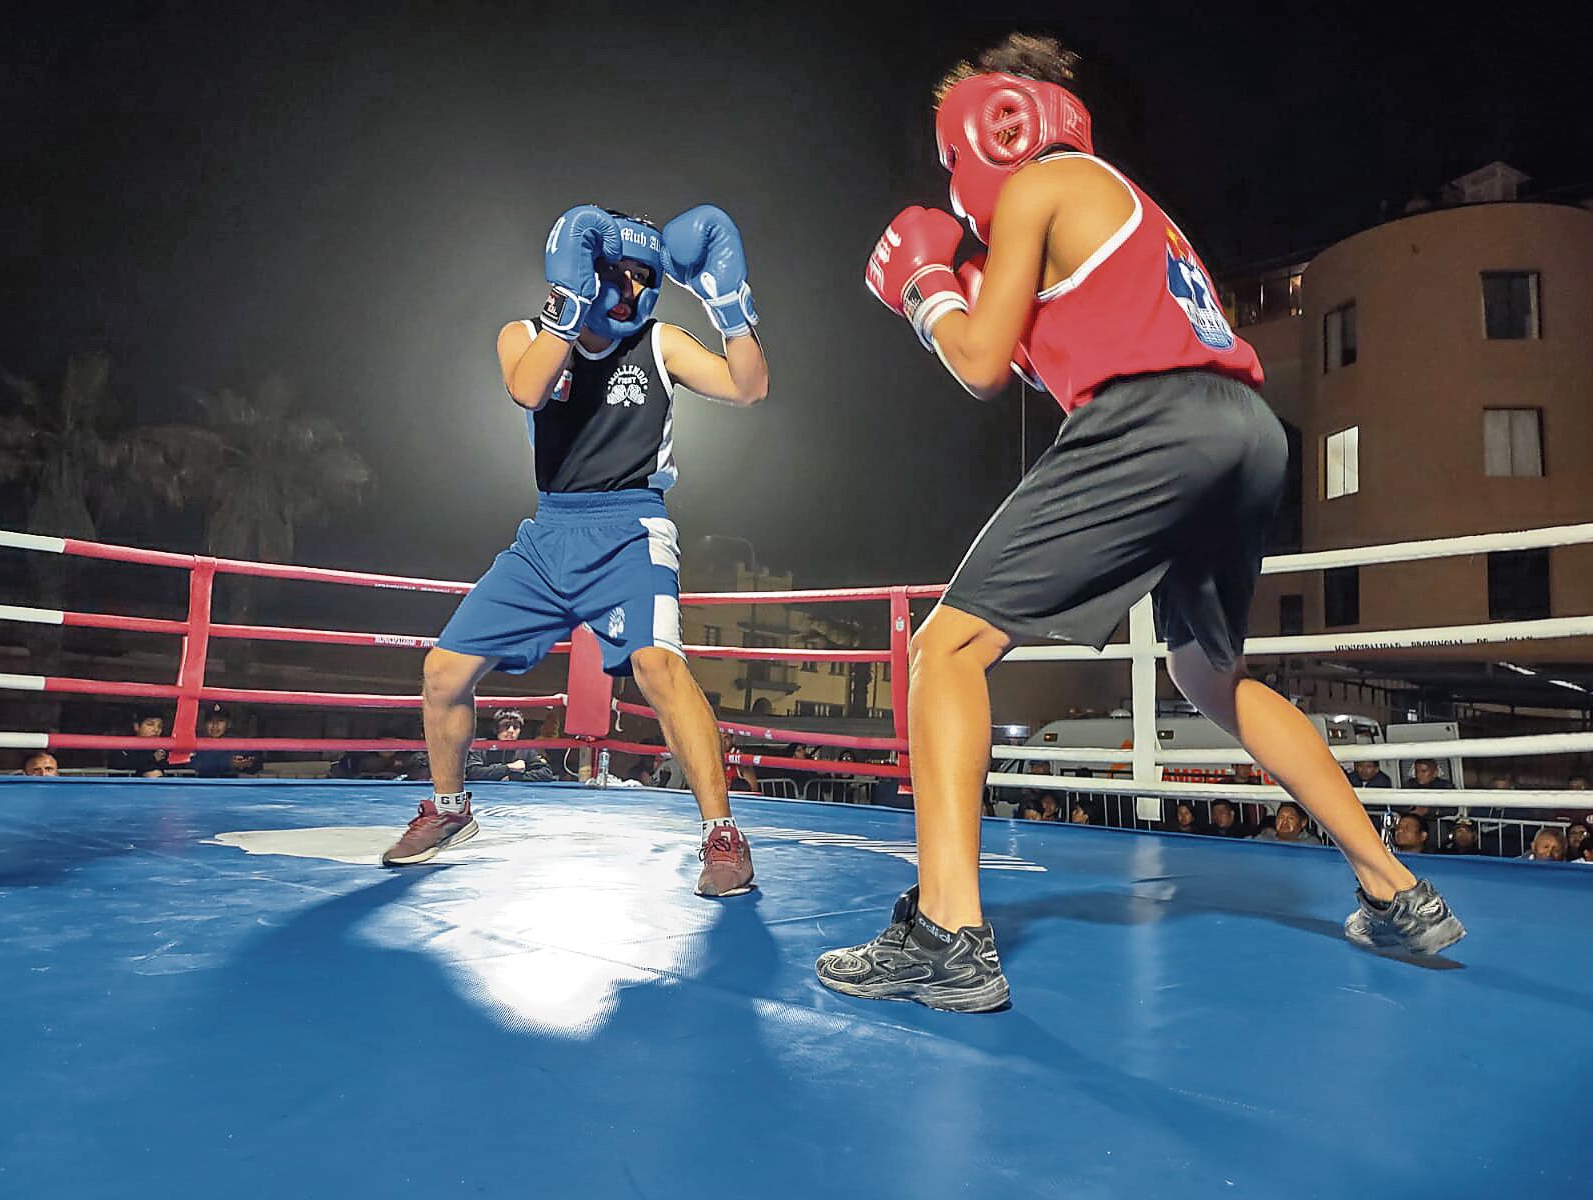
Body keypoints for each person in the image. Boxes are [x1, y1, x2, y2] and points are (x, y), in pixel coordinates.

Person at [815, 33, 1463, 1013]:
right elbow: (1040, 347)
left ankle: (949, 936)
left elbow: (980, 363)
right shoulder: (1129, 215)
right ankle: (1396, 890)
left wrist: (922, 287)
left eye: (953, 153)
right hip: (1241, 433)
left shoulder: (1047, 184)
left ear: (999, 126)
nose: (954, 176)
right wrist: (966, 289)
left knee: (944, 651)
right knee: (1206, 674)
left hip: (1158, 420)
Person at [381, 204, 769, 903]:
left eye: (642, 277)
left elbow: (750, 386)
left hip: (630, 528)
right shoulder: (525, 334)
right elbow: (527, 387)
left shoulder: (662, 342)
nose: (627, 289)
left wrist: (731, 307)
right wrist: (567, 308)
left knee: (658, 667)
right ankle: (448, 809)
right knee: (443, 673)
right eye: (614, 273)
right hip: (549, 534)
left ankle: (721, 833)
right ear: (582, 271)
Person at [467, 708, 555, 783]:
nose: (511, 730)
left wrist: (514, 777)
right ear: (496, 728)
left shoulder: (526, 750)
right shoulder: (482, 746)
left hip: (516, 796)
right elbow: (472, 772)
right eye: (506, 725)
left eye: (516, 727)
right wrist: (508, 768)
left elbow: (546, 773)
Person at [111, 712, 168, 778]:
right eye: (150, 724)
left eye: (159, 726)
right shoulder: (124, 745)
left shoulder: (164, 746)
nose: (156, 730)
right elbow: (117, 764)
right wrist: (152, 758)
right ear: (137, 726)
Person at [1256, 801, 1321, 845]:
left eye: (1290, 818)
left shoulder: (1311, 844)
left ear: (1303, 822)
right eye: (1281, 817)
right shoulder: (1263, 839)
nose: (1284, 822)